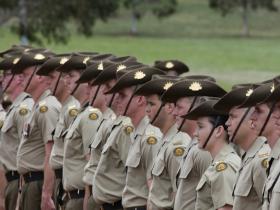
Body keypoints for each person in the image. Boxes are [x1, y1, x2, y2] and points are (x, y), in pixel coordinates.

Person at [161, 78, 223, 210]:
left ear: (197, 109)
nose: (174, 112)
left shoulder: (202, 151)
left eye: (179, 107)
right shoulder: (193, 146)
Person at [134, 75, 191, 210]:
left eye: (152, 104)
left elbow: (179, 197)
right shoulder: (165, 141)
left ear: (169, 107)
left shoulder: (178, 145)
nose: (147, 109)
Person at [14, 51, 61, 210]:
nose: (20, 79)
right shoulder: (37, 106)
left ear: (39, 77)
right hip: (29, 183)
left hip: (38, 183)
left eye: (25, 75)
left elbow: (51, 152)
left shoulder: (46, 108)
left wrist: (46, 193)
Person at [214, 84, 271, 210]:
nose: (227, 123)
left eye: (233, 117)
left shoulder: (260, 160)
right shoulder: (249, 156)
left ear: (252, 120)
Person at [183, 97, 241, 210]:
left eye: (200, 127)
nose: (195, 133)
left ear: (218, 130)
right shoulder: (219, 162)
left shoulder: (224, 167)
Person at [0, 56, 34, 210]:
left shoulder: (23, 109)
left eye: (6, 74)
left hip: (17, 180)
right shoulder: (15, 107)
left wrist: (21, 188)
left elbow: (25, 151)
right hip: (9, 180)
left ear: (19, 78)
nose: (2, 79)